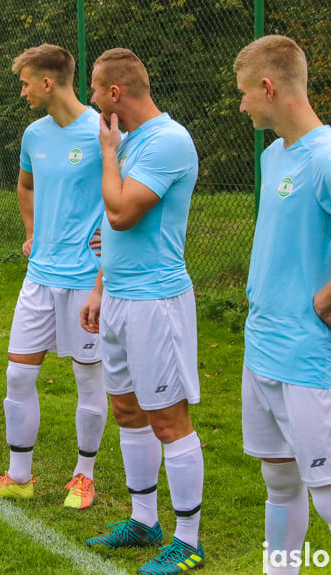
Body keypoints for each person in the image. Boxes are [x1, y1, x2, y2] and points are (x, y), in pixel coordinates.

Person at [234, 36, 331, 574]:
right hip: (263, 349)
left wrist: (326, 300)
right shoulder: (276, 156)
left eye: (246, 93)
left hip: (311, 361)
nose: (243, 104)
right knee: (279, 483)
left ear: (268, 88)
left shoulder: (329, 159)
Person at [0, 44, 107, 510]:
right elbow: (25, 186)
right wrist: (31, 233)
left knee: (89, 380)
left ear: (48, 82)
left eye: (25, 82)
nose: (22, 91)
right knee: (19, 377)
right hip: (40, 276)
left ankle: (83, 477)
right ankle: (20, 475)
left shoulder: (102, 131)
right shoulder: (33, 134)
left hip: (86, 278)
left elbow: (119, 196)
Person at [78, 49, 205, 574]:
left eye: (93, 89)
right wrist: (100, 288)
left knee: (169, 419)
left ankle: (189, 541)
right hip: (122, 298)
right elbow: (111, 232)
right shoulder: (131, 142)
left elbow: (123, 214)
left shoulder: (168, 141)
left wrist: (109, 154)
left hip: (157, 301)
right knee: (128, 410)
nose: (90, 98)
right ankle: (143, 520)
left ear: (114, 93)